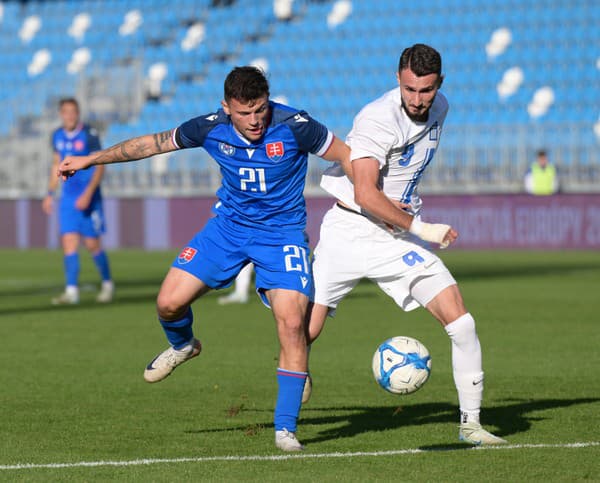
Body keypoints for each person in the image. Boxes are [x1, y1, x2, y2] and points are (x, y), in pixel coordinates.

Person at [58, 66, 350, 452]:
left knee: (293, 323)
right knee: (167, 303)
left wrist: (368, 204)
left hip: (281, 237)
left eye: (260, 110)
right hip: (226, 229)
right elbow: (152, 144)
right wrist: (91, 159)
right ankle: (183, 345)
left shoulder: (297, 126)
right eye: (244, 113)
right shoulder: (209, 127)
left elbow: (348, 156)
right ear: (226, 107)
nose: (254, 121)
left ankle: (285, 429)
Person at [306, 44, 507, 445]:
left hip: (393, 238)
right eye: (410, 90)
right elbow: (365, 193)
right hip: (349, 230)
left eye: (426, 91)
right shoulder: (377, 120)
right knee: (300, 332)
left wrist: (406, 221)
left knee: (461, 322)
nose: (417, 100)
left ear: (439, 85)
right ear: (398, 79)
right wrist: (424, 228)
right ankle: (287, 414)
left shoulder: (442, 107)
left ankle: (471, 425)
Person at [42, 98, 114, 305]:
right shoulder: (56, 135)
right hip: (68, 198)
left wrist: (88, 193)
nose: (70, 115)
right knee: (69, 242)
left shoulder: (89, 135)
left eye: (73, 111)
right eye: (66, 112)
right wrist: (49, 193)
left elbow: (100, 165)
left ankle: (108, 284)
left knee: (92, 244)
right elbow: (56, 164)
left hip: (89, 197)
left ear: (78, 113)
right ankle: (71, 291)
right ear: (61, 114)